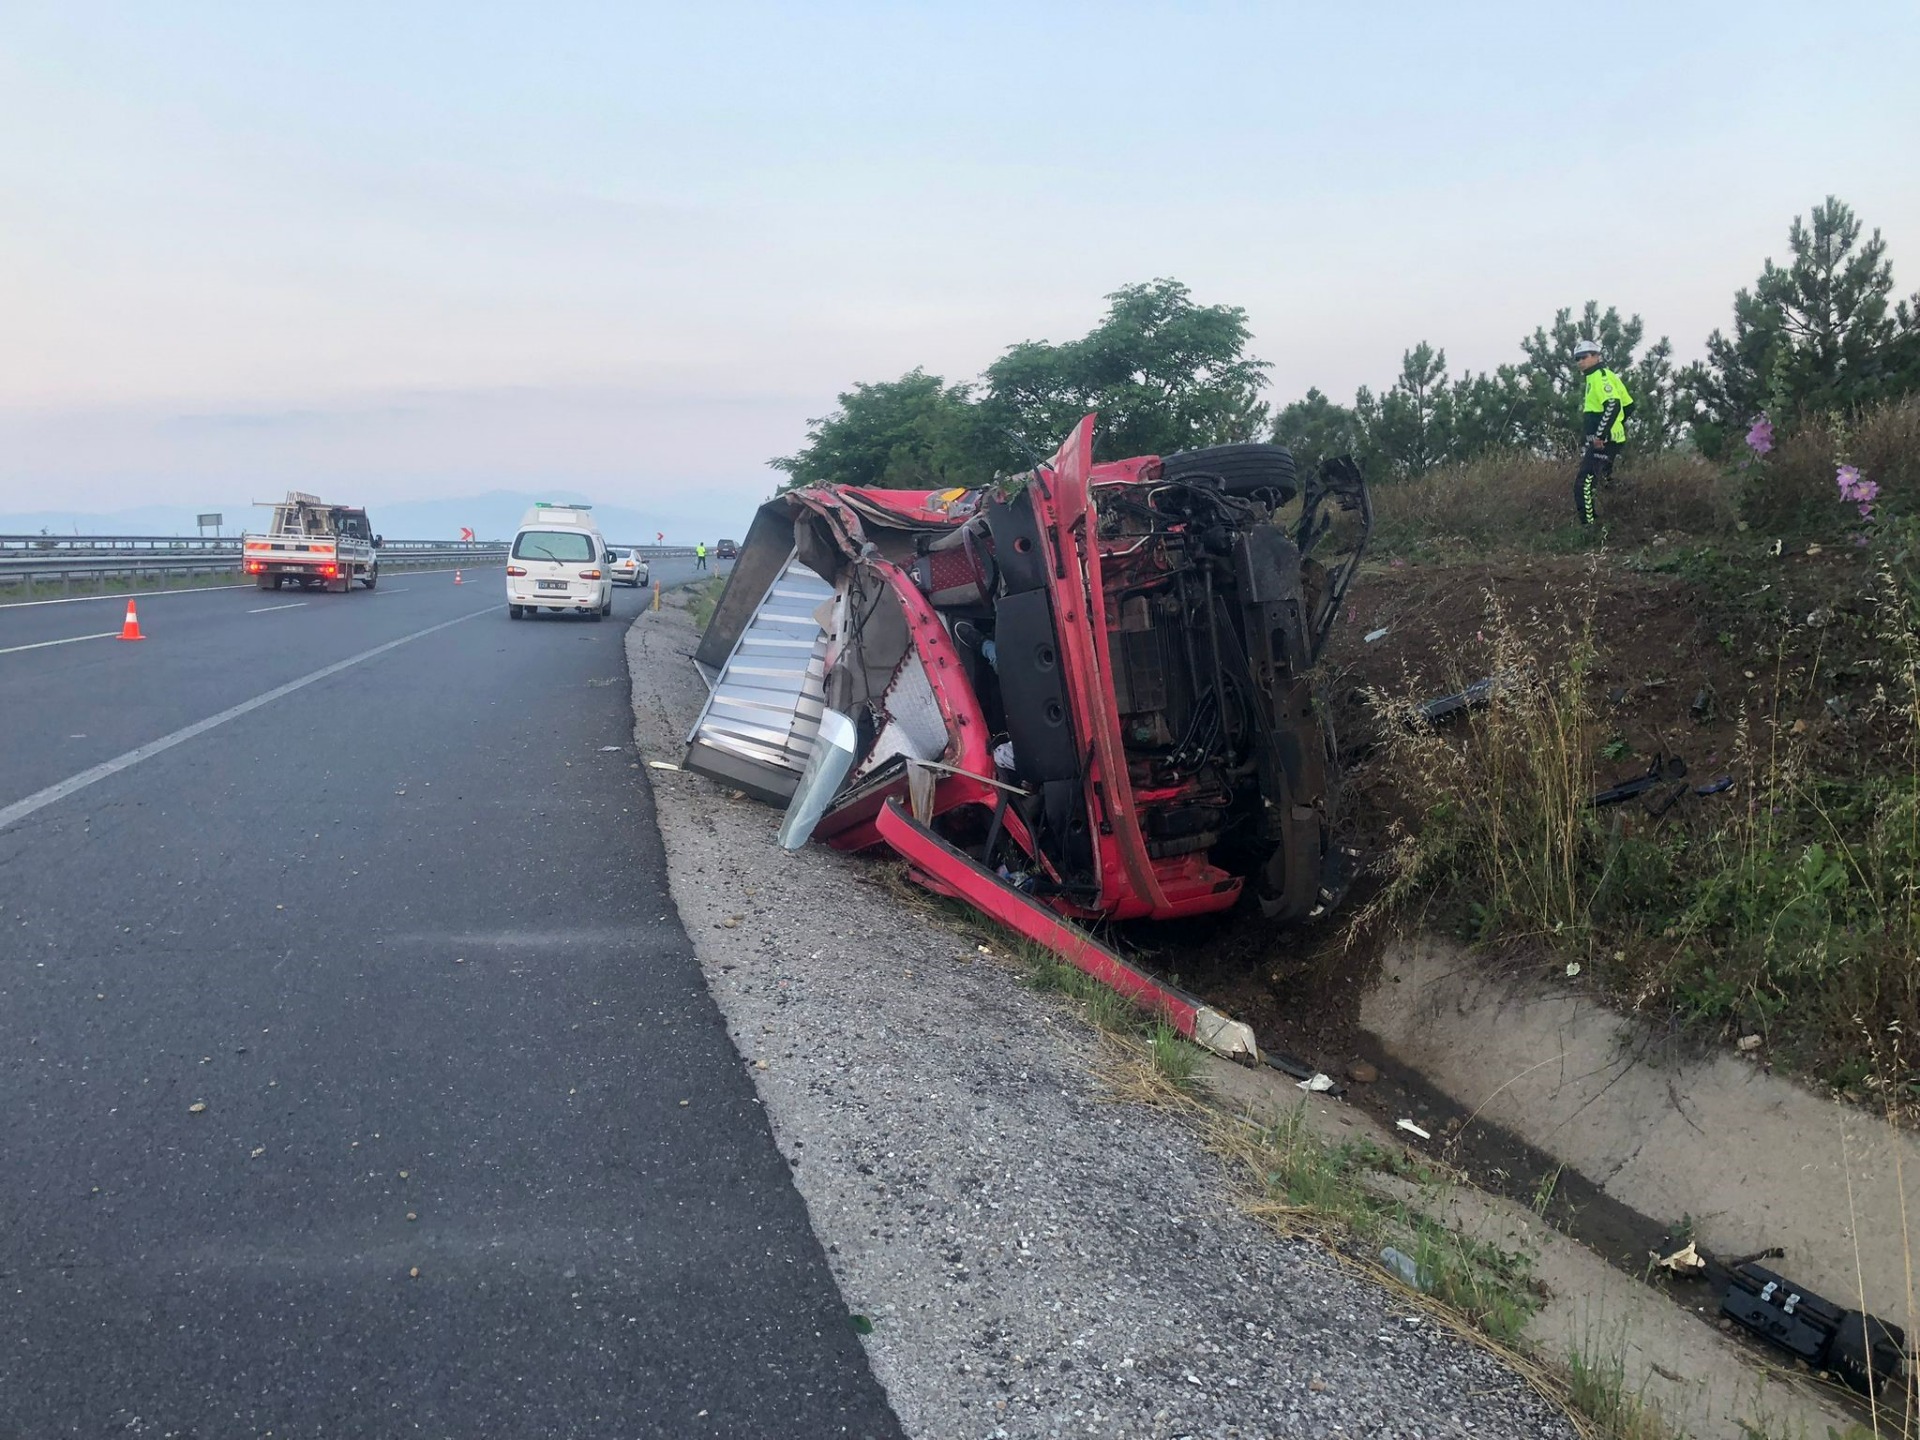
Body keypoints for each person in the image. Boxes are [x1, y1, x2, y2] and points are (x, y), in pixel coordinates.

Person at [1572, 338, 1634, 527]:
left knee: (1584, 483)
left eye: (1584, 356)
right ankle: (1633, 506)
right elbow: (1630, 405)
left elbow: (1614, 405)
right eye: (1576, 358)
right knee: (1606, 481)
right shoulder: (1598, 377)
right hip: (1607, 439)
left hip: (1604, 442)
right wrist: (1616, 427)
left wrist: (1601, 434)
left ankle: (1589, 527)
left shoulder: (1601, 377)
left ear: (1596, 356)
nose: (1580, 361)